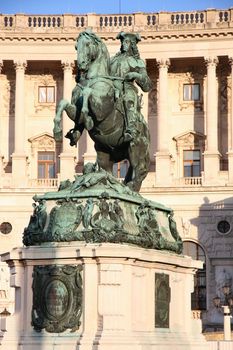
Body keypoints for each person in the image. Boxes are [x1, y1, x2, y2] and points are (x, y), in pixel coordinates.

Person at [110, 32, 152, 142]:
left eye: (127, 42)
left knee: (128, 99)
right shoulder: (112, 60)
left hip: (127, 88)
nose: (124, 44)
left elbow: (147, 85)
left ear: (132, 44)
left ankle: (131, 128)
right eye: (123, 42)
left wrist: (135, 75)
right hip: (111, 87)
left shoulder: (137, 62)